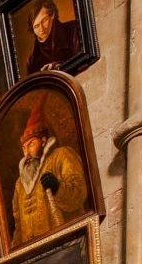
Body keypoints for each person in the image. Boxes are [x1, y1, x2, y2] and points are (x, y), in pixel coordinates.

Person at [9, 98, 90, 246]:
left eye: (31, 144)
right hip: (35, 253)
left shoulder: (61, 156)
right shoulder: (20, 184)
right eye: (24, 148)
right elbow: (18, 225)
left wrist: (57, 187)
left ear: (43, 141)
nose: (27, 153)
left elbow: (79, 194)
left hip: (66, 244)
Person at [23, 1, 83, 75]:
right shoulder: (31, 62)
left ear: (52, 15)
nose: (41, 29)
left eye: (44, 20)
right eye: (36, 26)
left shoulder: (74, 30)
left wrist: (59, 66)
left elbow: (82, 62)